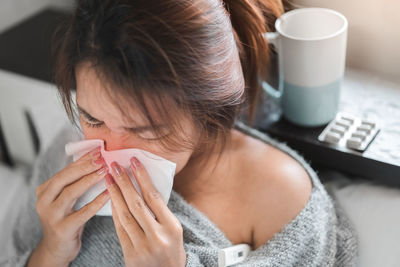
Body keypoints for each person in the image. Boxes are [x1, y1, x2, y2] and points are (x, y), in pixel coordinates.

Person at [3, 0, 358, 266]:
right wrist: (51, 248)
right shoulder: (69, 152)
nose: (110, 148)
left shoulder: (282, 200)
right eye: (92, 117)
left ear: (208, 113)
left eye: (145, 129)